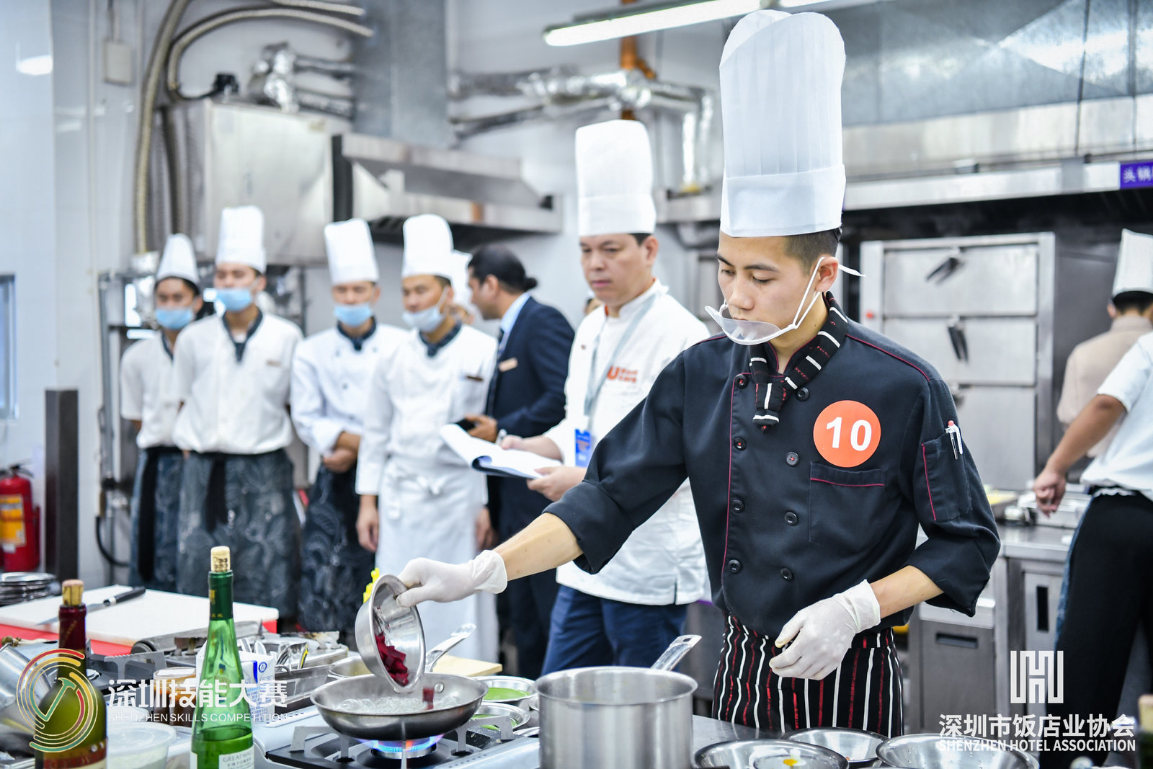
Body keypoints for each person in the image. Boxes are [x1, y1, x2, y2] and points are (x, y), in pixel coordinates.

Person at [394, 10, 999, 734]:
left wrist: (857, 607)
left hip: (850, 677)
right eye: (725, 268)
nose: (735, 296)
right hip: (739, 674)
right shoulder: (701, 375)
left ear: (822, 274)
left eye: (760, 277)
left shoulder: (900, 384)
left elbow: (968, 540)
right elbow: (607, 497)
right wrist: (484, 571)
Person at [499, 119, 709, 674]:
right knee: (558, 693)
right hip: (580, 554)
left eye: (611, 249)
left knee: (638, 708)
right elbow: (580, 420)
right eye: (586, 250)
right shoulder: (591, 327)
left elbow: (690, 460)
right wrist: (536, 445)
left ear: (649, 249)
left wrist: (584, 479)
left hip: (646, 564)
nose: (595, 264)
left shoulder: (682, 337)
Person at [355, 214, 499, 662]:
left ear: (448, 293)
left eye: (422, 290)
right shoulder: (391, 354)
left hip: (458, 496)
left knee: (462, 601)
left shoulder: (483, 350)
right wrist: (367, 502)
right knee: (398, 598)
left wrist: (485, 502)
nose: (414, 301)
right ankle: (399, 675)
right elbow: (375, 432)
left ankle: (469, 680)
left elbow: (489, 440)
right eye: (407, 292)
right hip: (402, 499)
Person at [171, 206, 303, 622]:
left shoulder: (286, 337)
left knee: (268, 574)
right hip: (204, 474)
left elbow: (295, 406)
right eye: (222, 275)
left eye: (238, 275)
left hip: (265, 473)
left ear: (259, 281)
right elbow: (182, 402)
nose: (228, 282)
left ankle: (270, 655)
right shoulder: (194, 338)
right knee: (199, 578)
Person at [1035, 313, 1153, 768]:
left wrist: (1056, 467)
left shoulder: (1149, 348)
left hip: (1123, 520)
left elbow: (1107, 405)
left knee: (1084, 676)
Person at [463, 243, 574, 678]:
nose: (471, 298)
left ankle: (551, 697)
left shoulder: (542, 321)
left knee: (547, 617)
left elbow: (559, 397)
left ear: (490, 285)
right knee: (523, 618)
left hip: (539, 493)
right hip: (513, 500)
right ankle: (528, 699)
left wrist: (503, 428)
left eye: (473, 287)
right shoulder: (510, 330)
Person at [291, 218, 405, 640]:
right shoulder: (311, 350)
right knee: (327, 583)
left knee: (389, 581)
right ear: (333, 294)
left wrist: (357, 446)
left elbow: (406, 414)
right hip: (335, 480)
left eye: (359, 290)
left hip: (390, 476)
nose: (351, 298)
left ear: (375, 293)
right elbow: (307, 418)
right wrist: (367, 443)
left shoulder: (400, 345)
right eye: (343, 291)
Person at [121, 234, 204, 591]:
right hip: (156, 466)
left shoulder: (210, 351)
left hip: (199, 464)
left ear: (196, 302)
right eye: (163, 298)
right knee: (152, 553)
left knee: (197, 555)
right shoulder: (136, 357)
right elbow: (136, 418)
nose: (170, 305)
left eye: (178, 298)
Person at [1057, 229, 1153, 457]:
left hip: (1096, 467)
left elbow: (1069, 419)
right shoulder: (1147, 348)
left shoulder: (1083, 354)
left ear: (1111, 309)